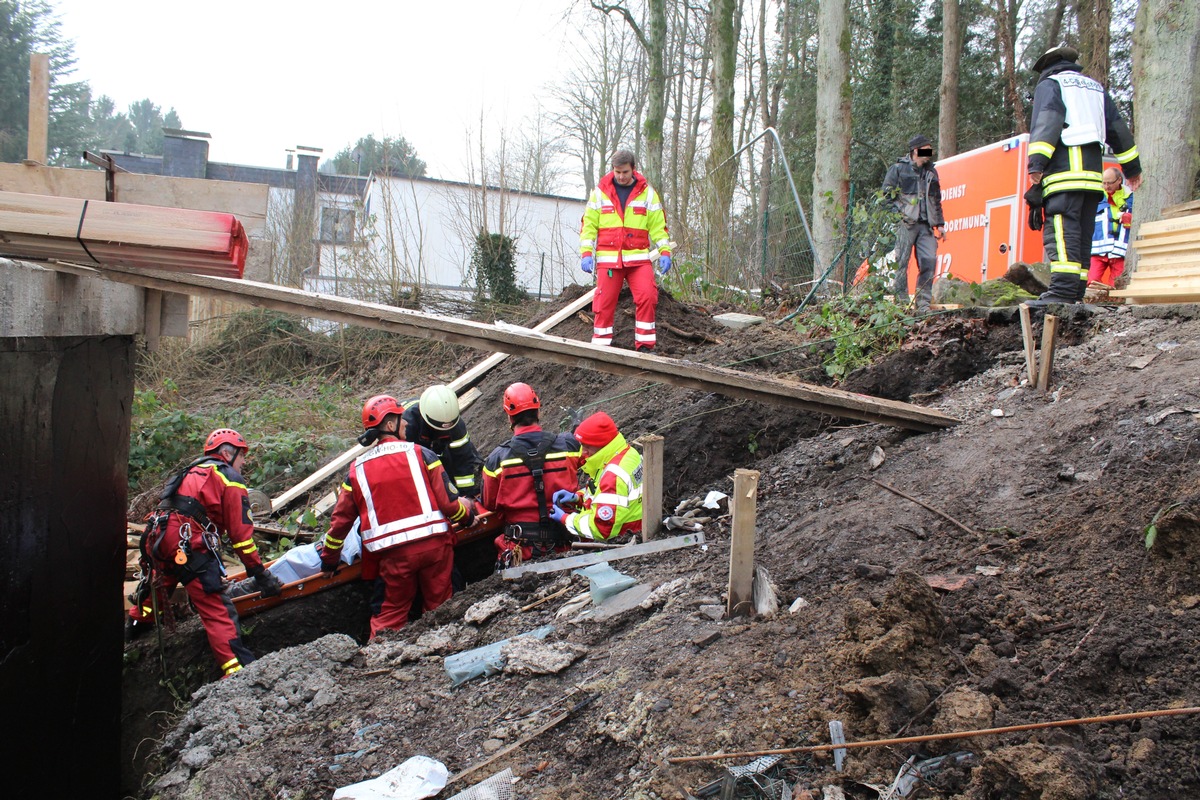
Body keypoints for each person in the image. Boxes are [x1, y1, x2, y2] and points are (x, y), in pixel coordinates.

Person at [319, 395, 476, 638]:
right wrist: (467, 516)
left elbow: (340, 524)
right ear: (390, 425)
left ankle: (381, 660)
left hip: (393, 556)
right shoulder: (423, 454)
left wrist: (329, 560)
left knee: (389, 615)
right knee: (441, 607)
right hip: (435, 548)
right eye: (402, 420)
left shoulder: (356, 471)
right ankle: (444, 648)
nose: (406, 425)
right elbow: (449, 505)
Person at [130, 428, 283, 678]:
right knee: (216, 607)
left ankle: (134, 630)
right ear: (227, 453)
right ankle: (237, 671)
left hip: (158, 536)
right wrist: (260, 575)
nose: (243, 463)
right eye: (242, 456)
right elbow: (241, 537)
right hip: (187, 542)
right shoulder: (228, 477)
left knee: (156, 590)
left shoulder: (189, 472)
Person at [1026, 43, 1142, 303]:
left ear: (1046, 67)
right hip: (1092, 177)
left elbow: (1047, 121)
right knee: (1081, 234)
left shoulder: (1051, 84)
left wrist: (1037, 163)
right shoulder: (1095, 88)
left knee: (1062, 231)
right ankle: (1076, 291)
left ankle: (1062, 292)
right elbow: (1117, 128)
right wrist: (1132, 168)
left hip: (1064, 174)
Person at [579, 149, 672, 352]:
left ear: (633, 170)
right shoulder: (599, 193)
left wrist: (664, 251)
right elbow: (588, 227)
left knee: (648, 296)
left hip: (638, 261)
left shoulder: (648, 194)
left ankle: (645, 346)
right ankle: (601, 347)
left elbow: (659, 227)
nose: (621, 176)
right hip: (609, 262)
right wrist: (586, 253)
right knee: (603, 302)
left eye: (625, 172)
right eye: (617, 171)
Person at [482, 382, 582, 567]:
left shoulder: (497, 459)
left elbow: (489, 503)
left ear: (510, 418)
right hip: (567, 546)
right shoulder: (569, 447)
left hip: (521, 550)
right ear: (538, 411)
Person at [551, 411, 643, 542]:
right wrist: (578, 497)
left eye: (587, 446)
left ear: (602, 445)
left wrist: (566, 519)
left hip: (622, 539)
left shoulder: (613, 475)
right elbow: (607, 494)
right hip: (636, 529)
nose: (583, 451)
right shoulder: (626, 454)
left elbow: (600, 529)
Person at [882, 134, 946, 314]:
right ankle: (901, 304)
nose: (930, 153)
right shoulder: (898, 169)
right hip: (905, 224)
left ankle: (923, 305)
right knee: (901, 263)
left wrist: (940, 223)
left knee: (929, 261)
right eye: (926, 149)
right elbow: (885, 197)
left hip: (926, 226)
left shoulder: (932, 172)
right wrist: (898, 217)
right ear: (915, 150)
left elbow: (937, 200)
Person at [399, 384, 483, 498]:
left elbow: (463, 458)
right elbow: (409, 469)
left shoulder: (456, 425)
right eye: (438, 429)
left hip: (437, 448)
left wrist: (466, 495)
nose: (443, 432)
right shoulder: (406, 426)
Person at [1088, 167, 1134, 288]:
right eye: (1104, 183)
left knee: (1117, 287)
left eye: (1110, 183)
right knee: (1090, 283)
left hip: (1119, 250)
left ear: (1119, 180)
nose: (1106, 186)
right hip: (1098, 250)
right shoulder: (1097, 197)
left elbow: (1138, 221)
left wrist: (1129, 218)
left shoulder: (1130, 198)